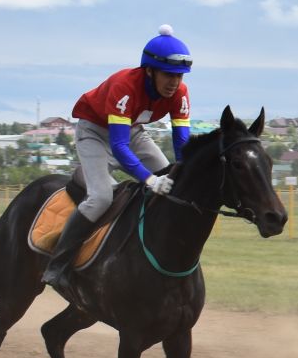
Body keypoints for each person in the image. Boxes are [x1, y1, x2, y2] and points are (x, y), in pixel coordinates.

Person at [44, 25, 193, 289]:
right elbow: (120, 148)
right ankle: (58, 265)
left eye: (179, 76)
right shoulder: (125, 86)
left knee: (172, 183)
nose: (175, 82)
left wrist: (181, 172)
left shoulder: (180, 93)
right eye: (168, 74)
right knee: (101, 197)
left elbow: (181, 142)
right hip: (95, 131)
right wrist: (149, 180)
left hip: (133, 130)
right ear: (149, 70)